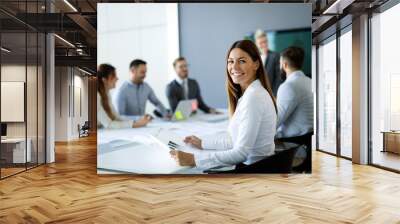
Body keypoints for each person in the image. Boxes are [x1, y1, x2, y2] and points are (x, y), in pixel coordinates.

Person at [169, 40, 277, 169]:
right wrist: (202, 143)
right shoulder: (251, 94)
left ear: (256, 64)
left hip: (254, 170)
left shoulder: (254, 97)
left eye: (242, 61)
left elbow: (241, 153)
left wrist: (194, 159)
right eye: (231, 61)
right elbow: (235, 141)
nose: (235, 67)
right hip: (257, 166)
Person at [276, 46, 313, 172]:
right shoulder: (309, 81)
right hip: (307, 142)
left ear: (284, 64)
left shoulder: (288, 86)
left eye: (280, 63)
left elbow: (275, 121)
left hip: (294, 146)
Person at [97, 64, 151, 129]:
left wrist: (137, 121)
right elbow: (109, 125)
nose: (117, 78)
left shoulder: (107, 93)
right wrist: (137, 124)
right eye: (114, 76)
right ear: (104, 80)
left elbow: (117, 117)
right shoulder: (95, 96)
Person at [254, 29, 281, 97]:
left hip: (271, 94)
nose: (264, 44)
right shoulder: (253, 58)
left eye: (265, 42)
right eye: (261, 43)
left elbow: (278, 78)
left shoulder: (275, 56)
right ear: (256, 44)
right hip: (256, 94)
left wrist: (274, 95)